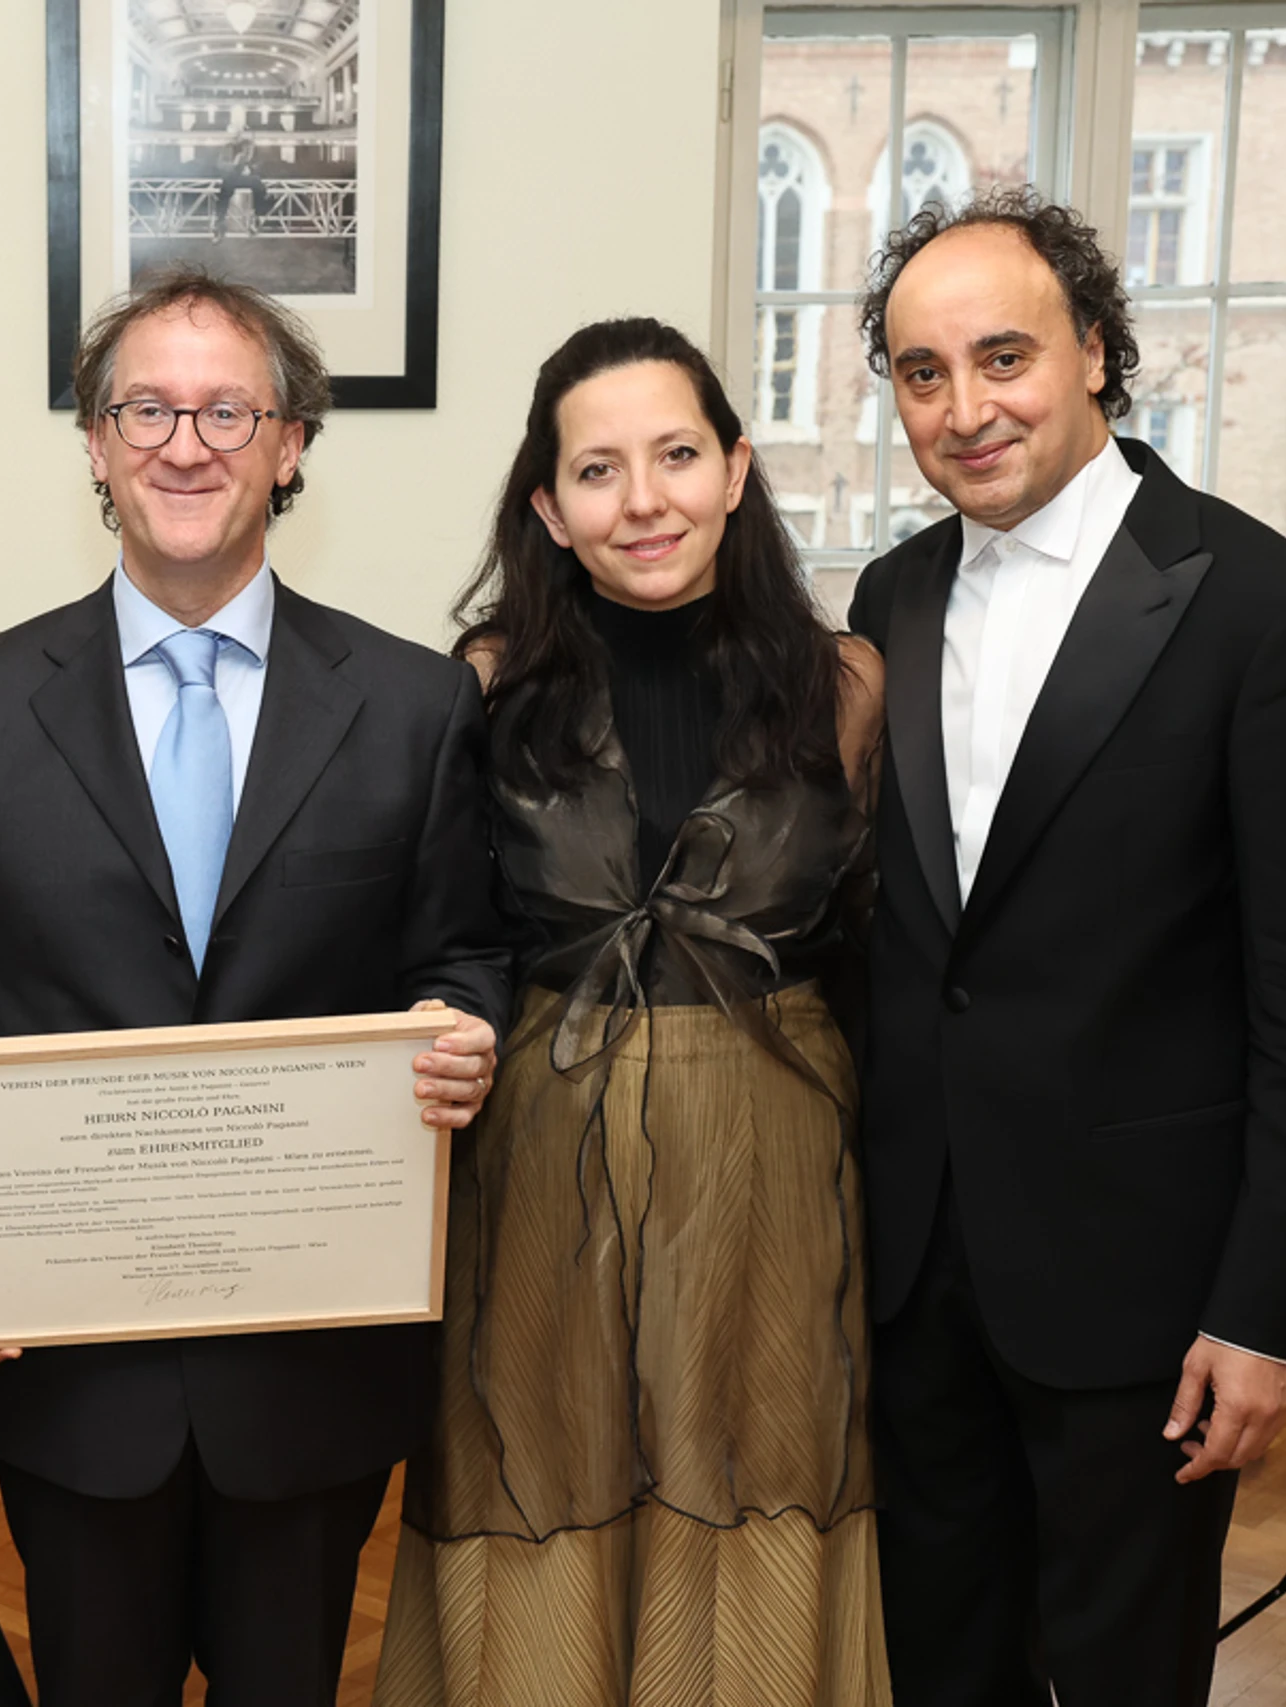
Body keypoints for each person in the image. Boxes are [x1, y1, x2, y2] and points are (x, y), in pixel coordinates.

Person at [0, 265, 513, 1707]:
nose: (186, 443)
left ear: (290, 446)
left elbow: (460, 955)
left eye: (229, 411)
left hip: (311, 1375)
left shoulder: (414, 708)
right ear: (95, 446)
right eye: (146, 409)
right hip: (70, 1374)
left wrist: (464, 1029)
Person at [846, 187, 1286, 1704]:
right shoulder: (892, 596)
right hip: (920, 1276)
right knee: (942, 1667)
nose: (964, 410)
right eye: (922, 372)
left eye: (1003, 357)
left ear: (1094, 349)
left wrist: (1264, 1313)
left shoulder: (1269, 615)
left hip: (1143, 1295)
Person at [374, 318, 890, 1706]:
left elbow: (876, 946)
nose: (643, 499)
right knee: (540, 1466)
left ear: (736, 469)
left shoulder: (846, 685)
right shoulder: (483, 684)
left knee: (761, 1459)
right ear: (549, 507)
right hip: (540, 1140)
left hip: (775, 1144)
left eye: (676, 455)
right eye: (598, 470)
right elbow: (444, 934)